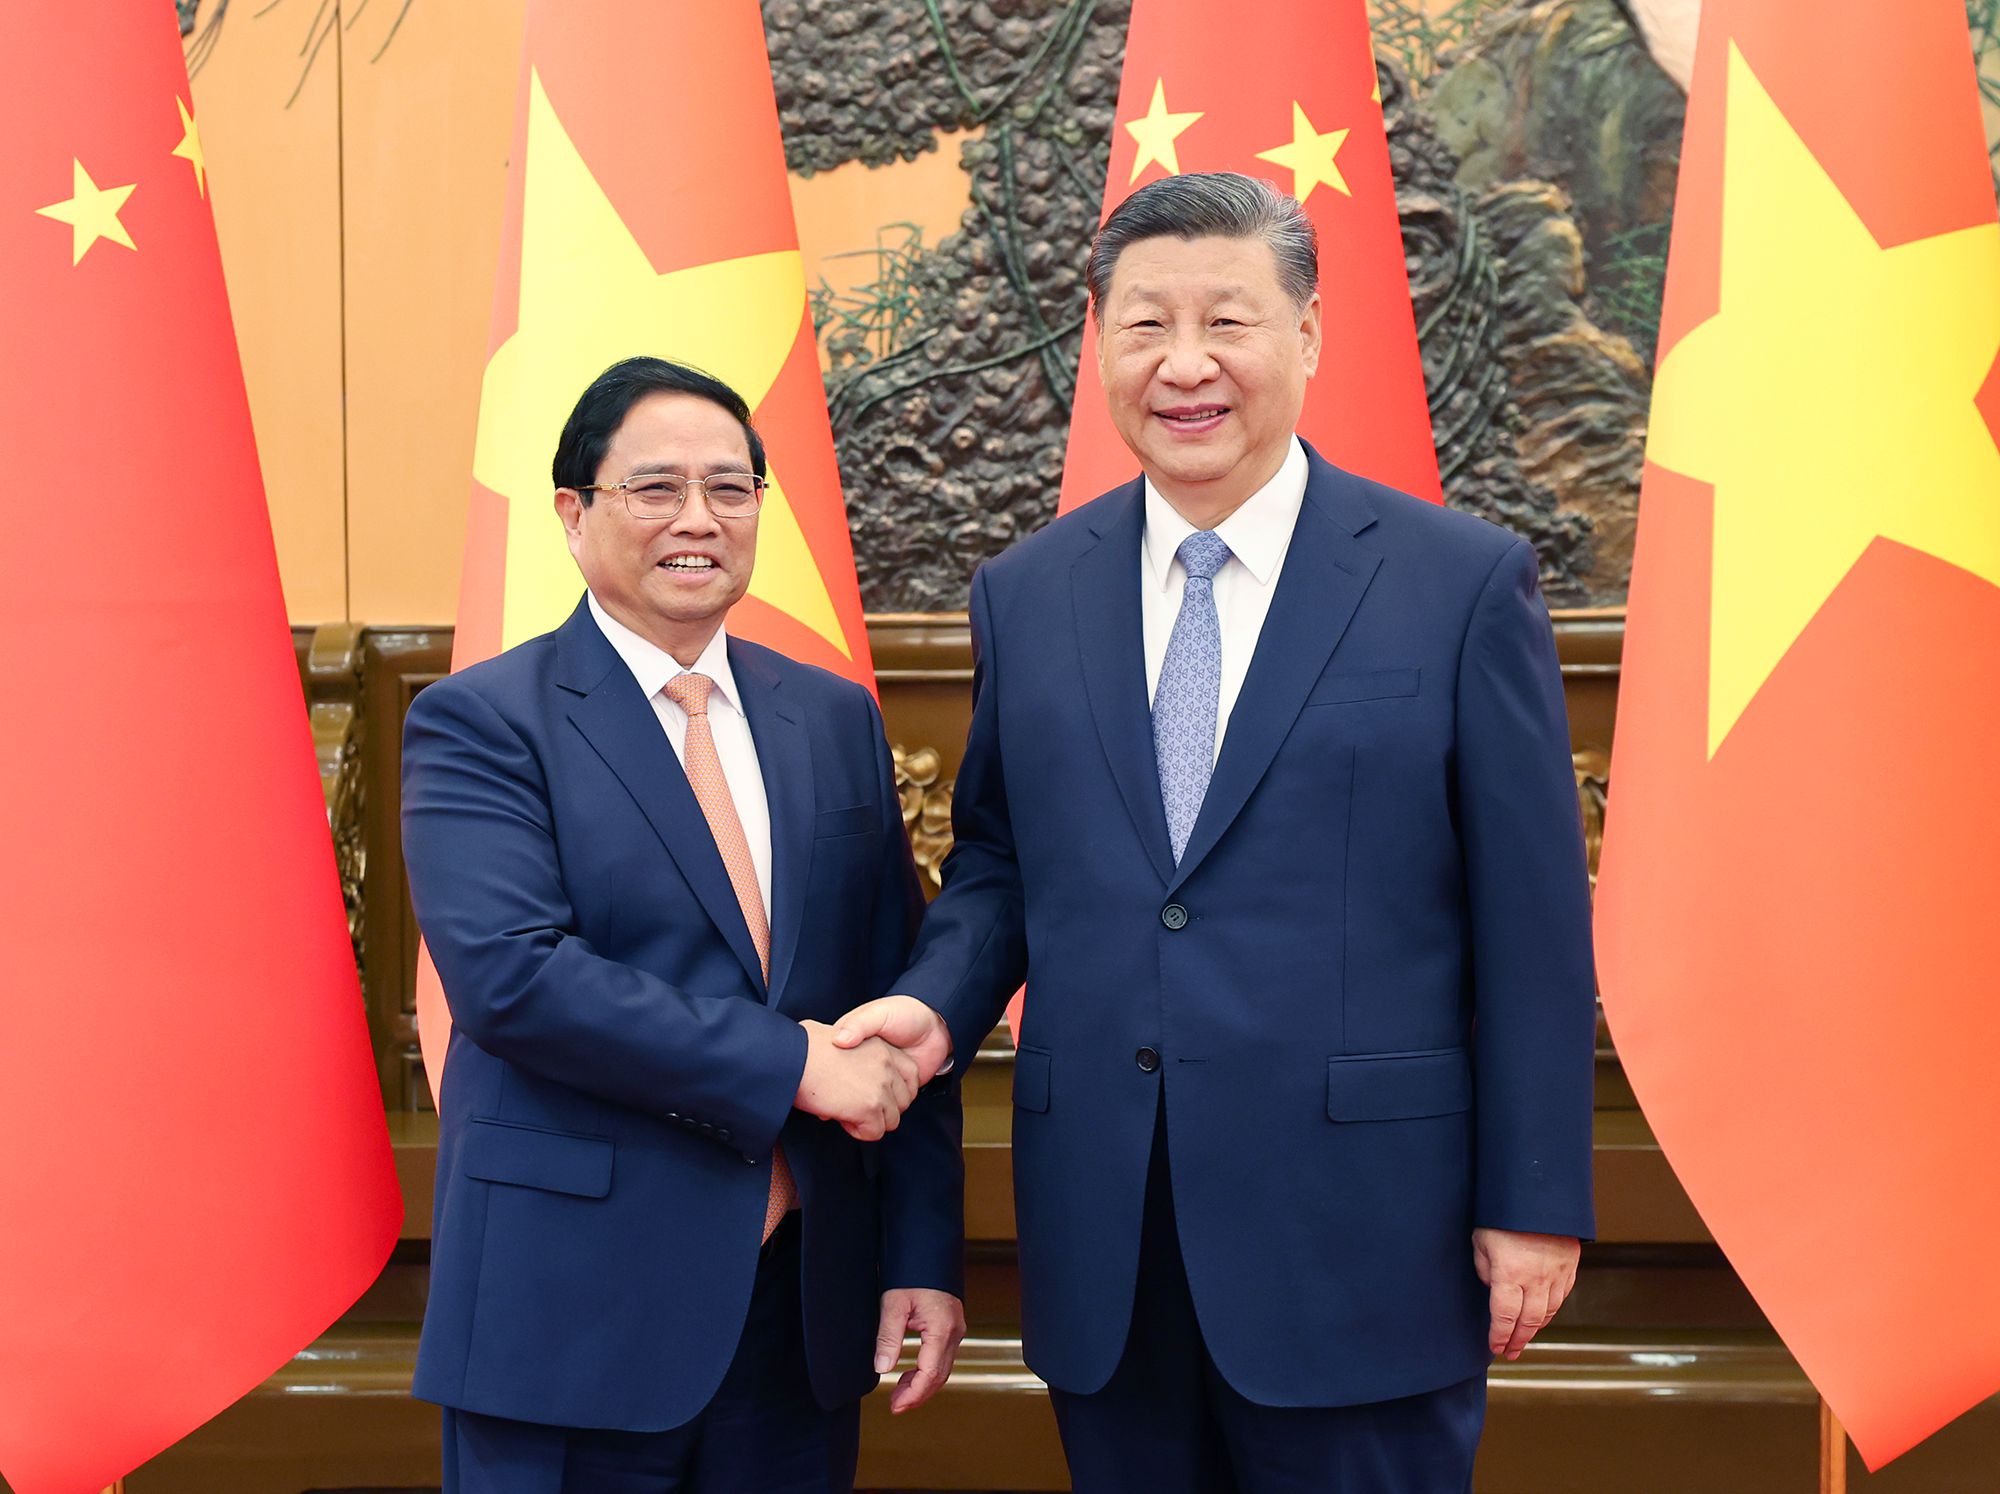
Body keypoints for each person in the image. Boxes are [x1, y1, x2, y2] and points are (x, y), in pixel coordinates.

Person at [834, 173, 1597, 1492]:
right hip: (1108, 1244)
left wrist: (1533, 1196)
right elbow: (1006, 859)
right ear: (1099, 345)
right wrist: (936, 1006)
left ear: (1306, 336)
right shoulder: (1029, 593)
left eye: (1228, 321)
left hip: (1364, 1240)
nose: (1185, 364)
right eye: (1145, 325)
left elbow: (1535, 922)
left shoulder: (1457, 583)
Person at [402, 357, 965, 1494]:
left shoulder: (830, 718)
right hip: (571, 1314)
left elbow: (896, 991)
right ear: (573, 514)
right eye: (654, 489)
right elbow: (514, 982)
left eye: (731, 488)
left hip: (796, 1316)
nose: (697, 520)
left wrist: (918, 1252)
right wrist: (792, 1062)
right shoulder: (480, 721)